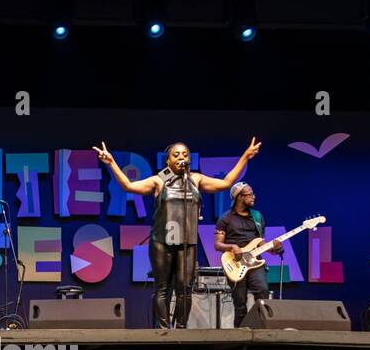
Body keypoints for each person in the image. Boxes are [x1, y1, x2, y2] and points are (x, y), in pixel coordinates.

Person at [93, 138, 261, 329]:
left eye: (185, 154)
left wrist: (245, 157)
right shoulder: (159, 180)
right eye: (176, 154)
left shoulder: (195, 179)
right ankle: (164, 330)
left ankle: (181, 329)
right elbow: (129, 186)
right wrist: (111, 162)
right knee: (163, 288)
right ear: (168, 161)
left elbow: (226, 182)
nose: (181, 157)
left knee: (185, 289)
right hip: (161, 241)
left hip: (187, 242)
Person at [215, 181, 283, 322]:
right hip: (235, 263)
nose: (253, 197)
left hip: (254, 262)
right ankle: (240, 337)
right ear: (239, 197)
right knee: (240, 303)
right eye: (250, 194)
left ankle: (260, 328)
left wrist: (274, 249)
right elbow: (217, 245)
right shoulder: (225, 218)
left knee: (263, 292)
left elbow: (260, 243)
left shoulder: (257, 217)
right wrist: (232, 247)